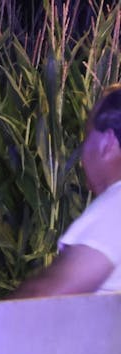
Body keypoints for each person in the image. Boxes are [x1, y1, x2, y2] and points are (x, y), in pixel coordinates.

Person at [13, 83, 121, 297]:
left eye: (87, 137)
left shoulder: (115, 207)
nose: (81, 157)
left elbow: (46, 295)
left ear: (107, 143)